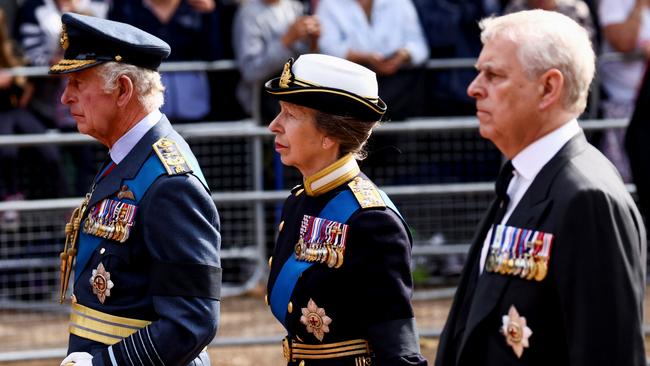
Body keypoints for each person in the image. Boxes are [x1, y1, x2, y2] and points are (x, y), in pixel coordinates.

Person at [436, 10, 646, 366]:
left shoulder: (587, 198)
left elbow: (608, 351)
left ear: (549, 88)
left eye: (494, 75)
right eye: (478, 73)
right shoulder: (525, 176)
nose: (474, 88)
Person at [50, 13, 222, 366]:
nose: (66, 97)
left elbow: (192, 322)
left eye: (79, 82)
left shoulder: (169, 181)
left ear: (124, 90)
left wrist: (104, 364)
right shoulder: (129, 154)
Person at [264, 53, 428, 366]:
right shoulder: (299, 200)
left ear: (330, 135)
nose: (275, 125)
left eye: (290, 114)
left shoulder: (373, 221)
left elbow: (398, 349)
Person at [108, 0, 222, 124]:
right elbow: (117, 56)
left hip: (192, 106)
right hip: (144, 110)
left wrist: (210, 16)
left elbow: (212, 54)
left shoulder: (197, 8)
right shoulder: (125, 7)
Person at [232, 0, 319, 125]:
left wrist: (314, 41)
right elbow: (250, 70)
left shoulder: (296, 8)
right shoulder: (248, 14)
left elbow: (309, 62)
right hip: (264, 105)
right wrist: (287, 40)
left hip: (300, 100)